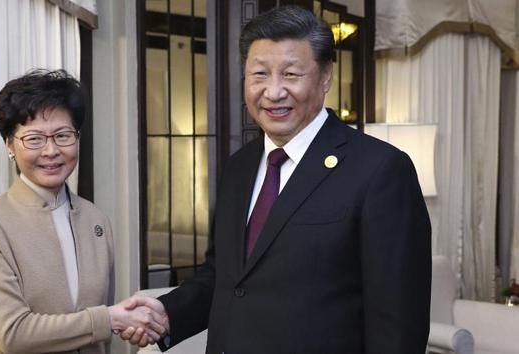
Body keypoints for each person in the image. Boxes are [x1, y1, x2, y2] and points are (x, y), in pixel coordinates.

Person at [125, 5, 431, 353]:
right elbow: (225, 276)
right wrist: (167, 313)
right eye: (259, 74)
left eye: (290, 75)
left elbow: (398, 321)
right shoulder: (239, 167)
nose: (273, 92)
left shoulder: (381, 170)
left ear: (326, 76)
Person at [0, 69, 167, 354]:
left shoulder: (96, 220)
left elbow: (100, 336)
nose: (51, 151)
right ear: (9, 144)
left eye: (63, 135)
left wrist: (126, 323)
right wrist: (110, 318)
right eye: (34, 139)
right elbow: (14, 333)